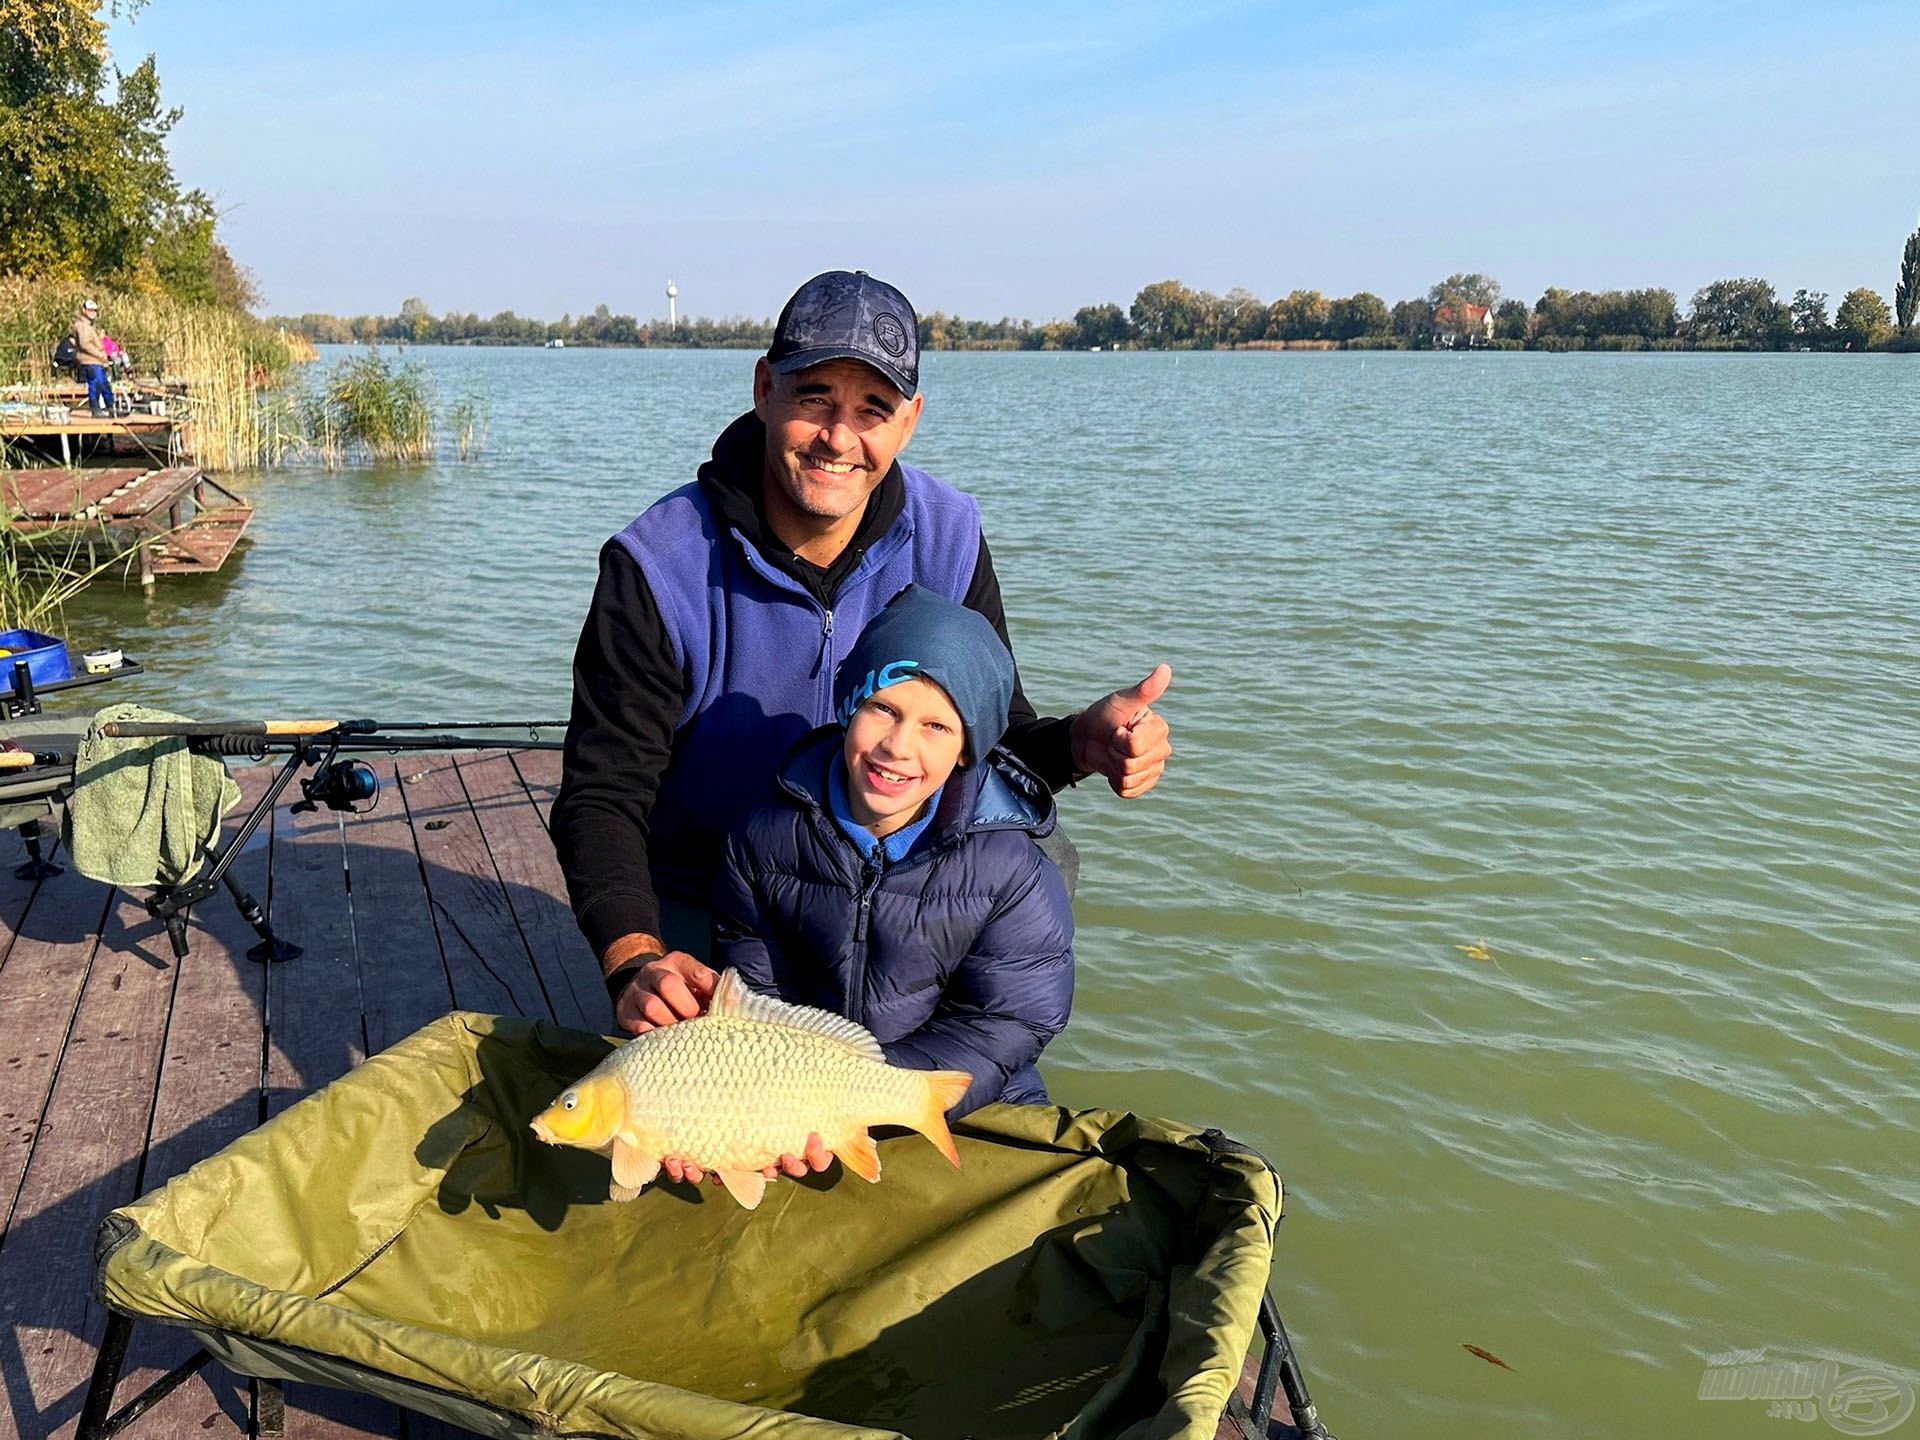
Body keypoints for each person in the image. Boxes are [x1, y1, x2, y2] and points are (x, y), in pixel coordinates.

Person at [552, 269, 1172, 1052]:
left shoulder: (946, 536)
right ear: (764, 389)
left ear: (908, 421)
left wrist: (1076, 745)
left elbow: (984, 741)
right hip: (711, 895)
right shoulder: (658, 564)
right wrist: (634, 960)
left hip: (891, 886)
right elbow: (602, 793)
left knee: (1042, 851)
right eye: (814, 398)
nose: (839, 439)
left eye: (871, 410)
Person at [713, 584, 1073, 1123]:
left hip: (968, 1102)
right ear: (848, 706)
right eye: (883, 708)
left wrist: (867, 1093)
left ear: (966, 753)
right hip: (805, 1100)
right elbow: (758, 995)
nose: (899, 747)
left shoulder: (1014, 869)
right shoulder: (758, 839)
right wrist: (801, 1102)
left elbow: (1008, 1023)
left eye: (937, 726)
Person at [72, 299, 115, 418]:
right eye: (90, 310)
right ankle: (96, 410)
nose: (92, 312)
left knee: (104, 384)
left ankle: (111, 408)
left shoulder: (89, 325)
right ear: (84, 310)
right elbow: (85, 345)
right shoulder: (82, 326)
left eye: (94, 310)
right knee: (96, 385)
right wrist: (100, 354)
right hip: (90, 361)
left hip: (96, 361)